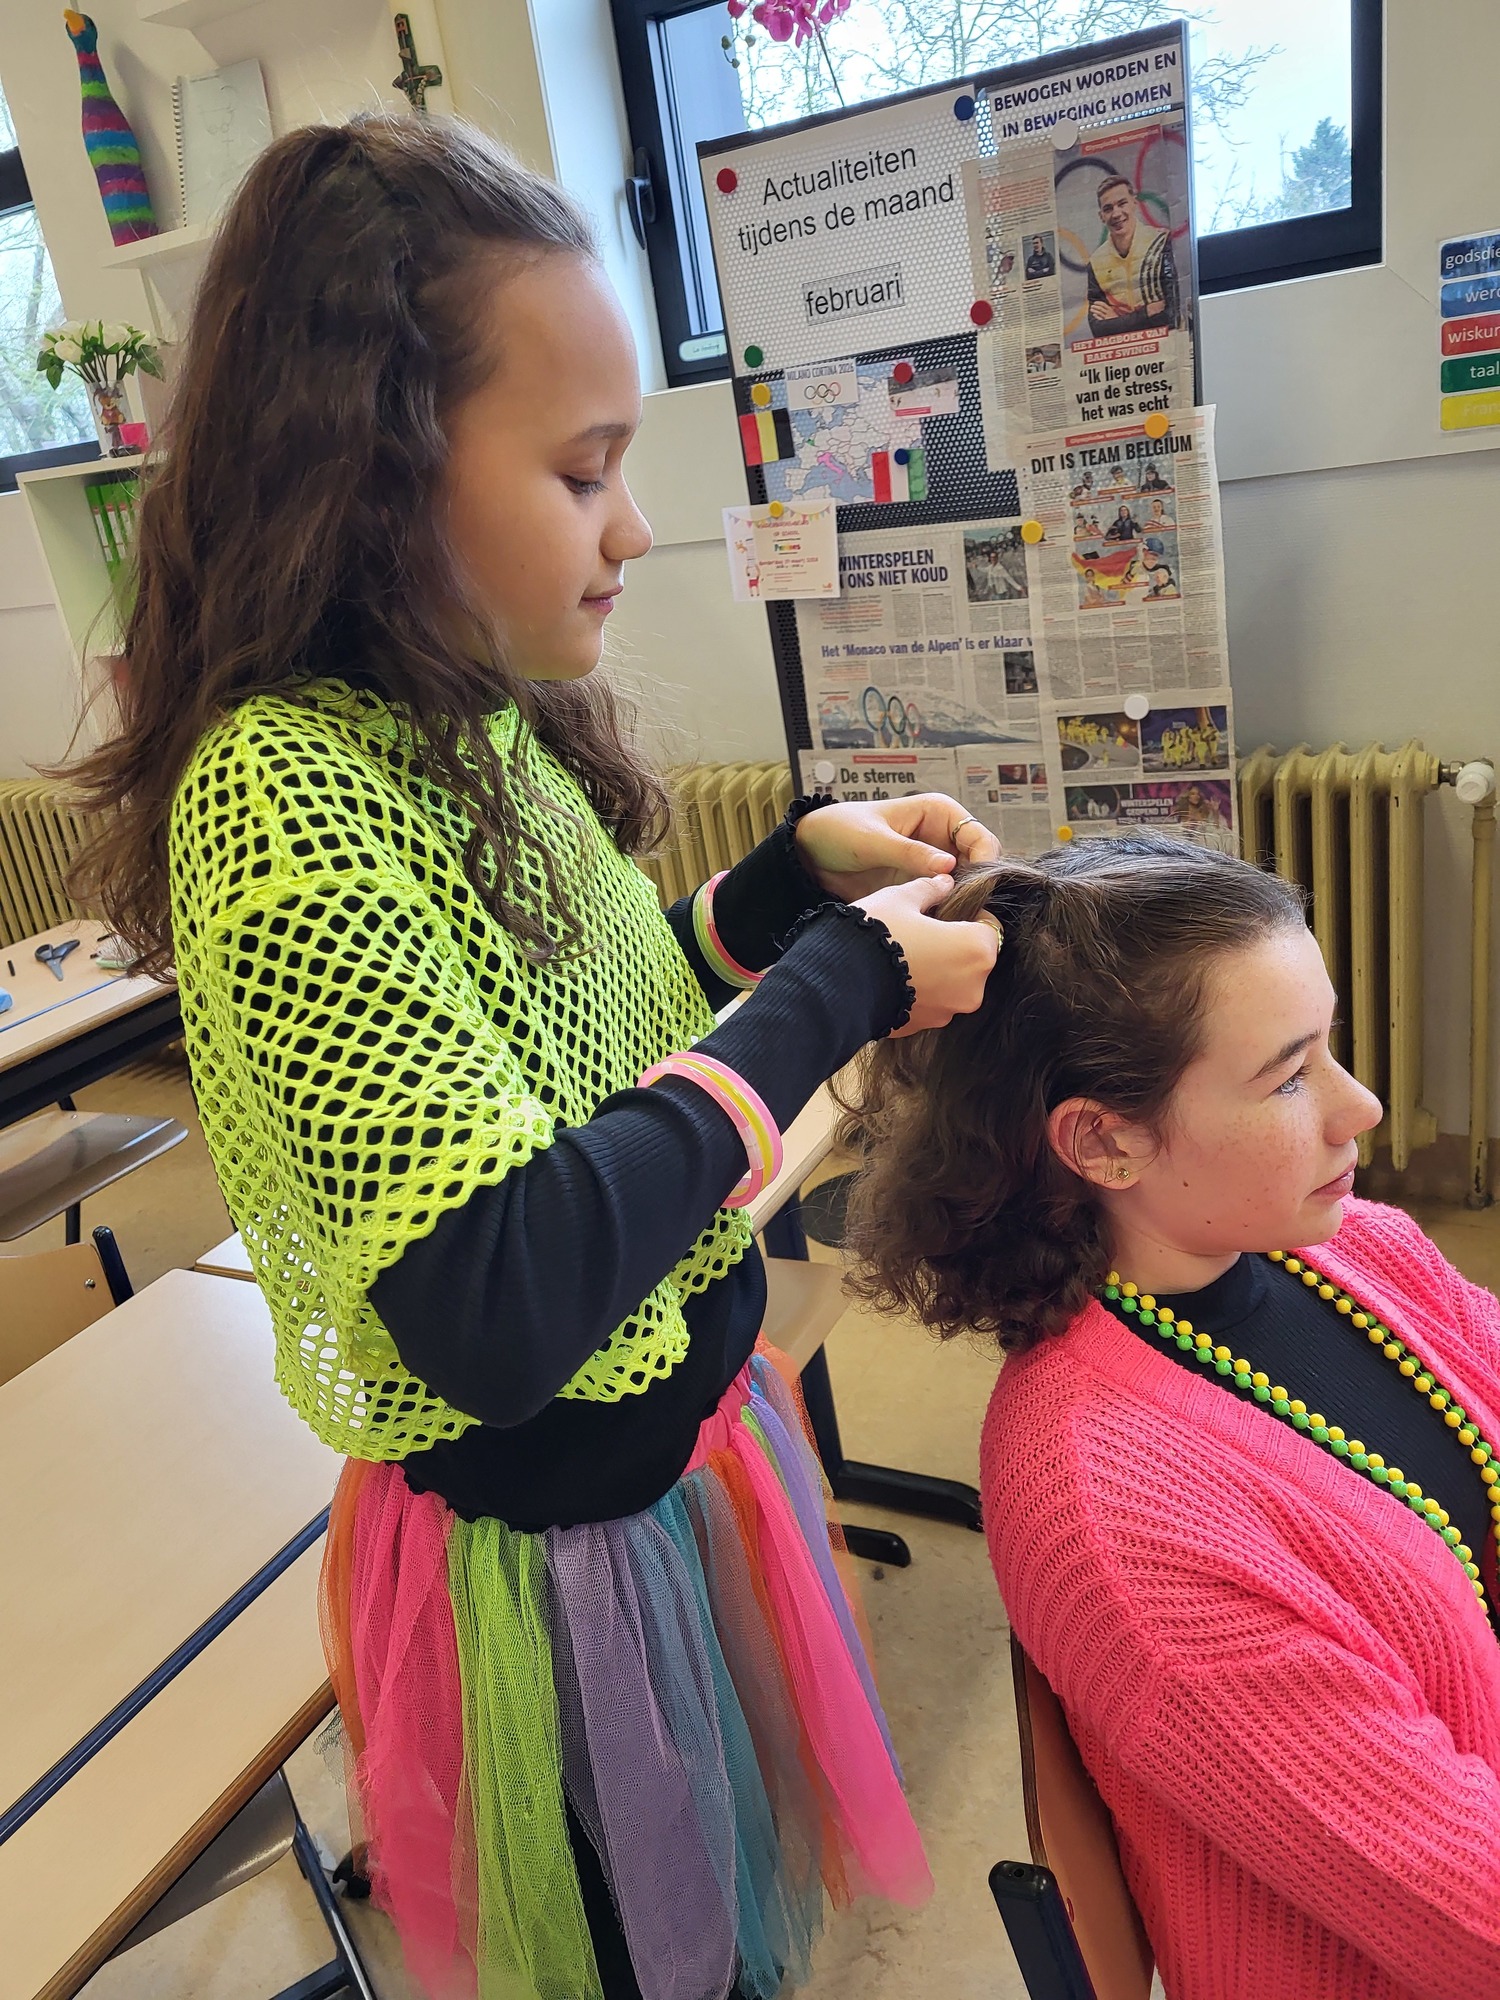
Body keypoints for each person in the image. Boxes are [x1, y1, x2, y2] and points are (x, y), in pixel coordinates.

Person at [69, 115, 1005, 2000]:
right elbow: (496, 1289)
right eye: (584, 472)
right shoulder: (282, 799)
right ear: (369, 473)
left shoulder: (471, 725)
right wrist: (835, 986)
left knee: (725, 1923)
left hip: (680, 1467)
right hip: (564, 1565)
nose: (634, 528)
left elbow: (585, 1038)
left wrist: (779, 892)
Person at [840, 839, 1500, 2000]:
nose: (1360, 1105)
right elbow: (1470, 1914)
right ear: (1104, 1140)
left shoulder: (1359, 1246)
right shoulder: (1113, 1514)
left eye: (1330, 1045)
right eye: (1289, 1077)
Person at [1086, 175, 1181, 339]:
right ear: (1101, 216)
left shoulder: (1161, 243)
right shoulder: (1095, 262)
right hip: (1123, 353)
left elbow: (1170, 315)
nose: (1116, 214)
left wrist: (1117, 321)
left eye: (1122, 203)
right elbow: (1098, 329)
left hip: (1164, 345)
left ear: (1134, 203)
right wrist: (1147, 312)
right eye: (1108, 209)